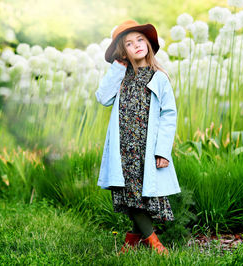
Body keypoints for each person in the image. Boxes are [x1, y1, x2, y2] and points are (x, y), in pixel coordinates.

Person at [95, 19, 181, 255]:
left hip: (147, 147)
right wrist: (117, 67)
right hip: (124, 149)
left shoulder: (159, 77)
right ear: (123, 52)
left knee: (141, 194)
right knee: (130, 193)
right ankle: (153, 243)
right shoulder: (121, 77)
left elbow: (169, 115)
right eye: (129, 44)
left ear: (149, 43)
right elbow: (102, 98)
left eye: (140, 40)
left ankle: (134, 240)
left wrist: (163, 150)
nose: (137, 45)